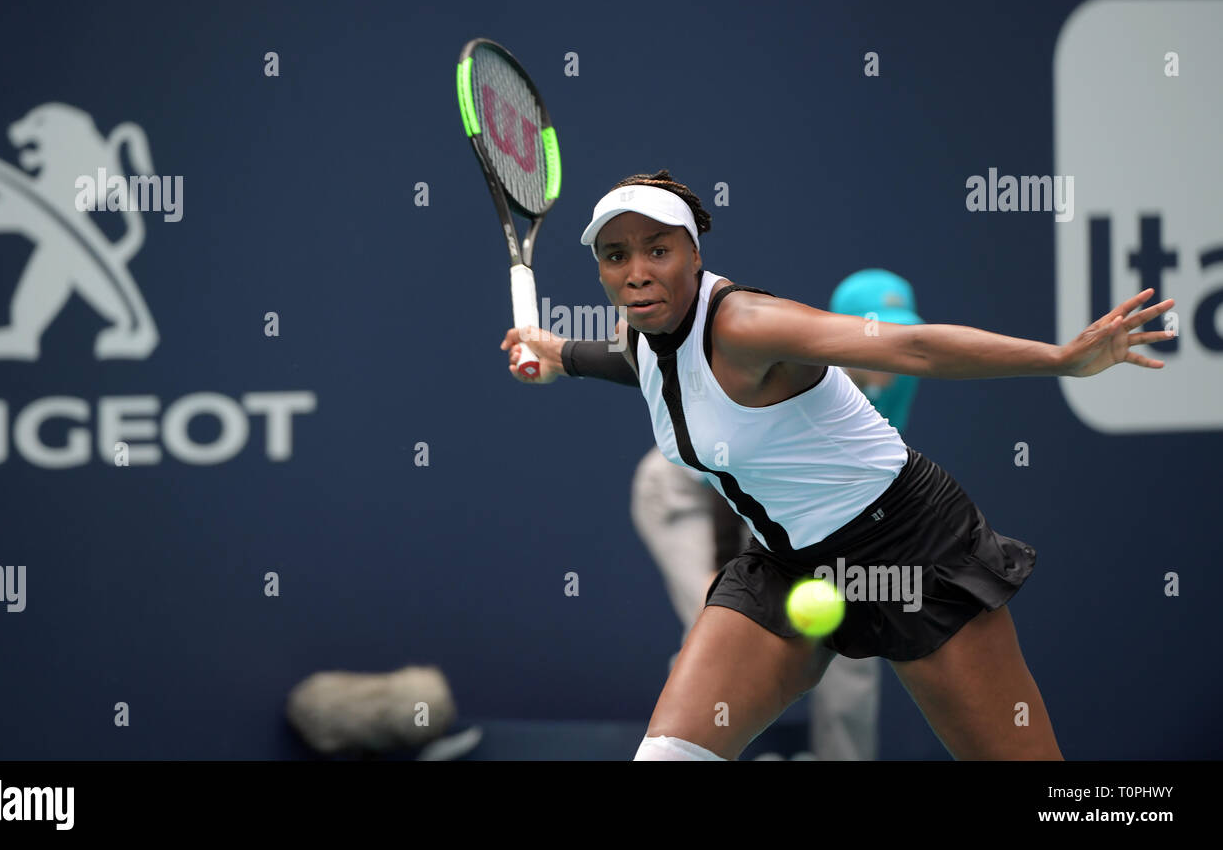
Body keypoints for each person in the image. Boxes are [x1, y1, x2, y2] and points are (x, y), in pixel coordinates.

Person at [499, 169, 1174, 761]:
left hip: (911, 550)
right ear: (600, 272)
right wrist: (558, 354)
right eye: (617, 256)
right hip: (784, 567)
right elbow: (639, 363)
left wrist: (1059, 359)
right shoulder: (641, 330)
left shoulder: (749, 326)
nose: (637, 270)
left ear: (695, 255)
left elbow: (912, 349)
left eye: (658, 248)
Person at [629, 268, 924, 760]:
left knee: (851, 640)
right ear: (844, 330)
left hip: (780, 499)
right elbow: (739, 472)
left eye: (898, 326)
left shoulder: (893, 377)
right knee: (720, 627)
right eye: (876, 327)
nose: (888, 340)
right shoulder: (801, 365)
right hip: (691, 488)